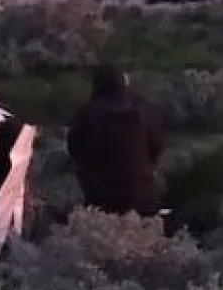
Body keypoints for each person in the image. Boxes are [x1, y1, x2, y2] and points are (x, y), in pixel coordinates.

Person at [66, 65, 165, 216]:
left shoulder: (88, 113)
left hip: (101, 195)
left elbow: (73, 148)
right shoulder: (143, 109)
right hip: (142, 193)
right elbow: (157, 146)